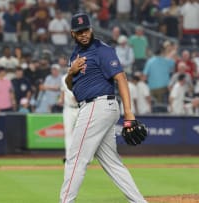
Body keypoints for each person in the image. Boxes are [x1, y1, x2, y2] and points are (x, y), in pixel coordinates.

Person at [60, 13, 147, 203]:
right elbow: (71, 86)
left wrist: (129, 114)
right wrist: (70, 72)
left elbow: (121, 78)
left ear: (91, 29)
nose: (83, 34)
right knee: (112, 162)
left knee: (76, 159)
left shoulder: (102, 50)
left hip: (97, 106)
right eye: (79, 31)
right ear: (73, 34)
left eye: (86, 30)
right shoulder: (75, 56)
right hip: (94, 108)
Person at [58, 73, 79, 163]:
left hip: (80, 107)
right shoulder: (64, 77)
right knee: (68, 132)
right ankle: (69, 156)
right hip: (68, 108)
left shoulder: (82, 76)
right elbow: (63, 90)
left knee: (81, 133)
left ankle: (81, 156)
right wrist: (61, 99)